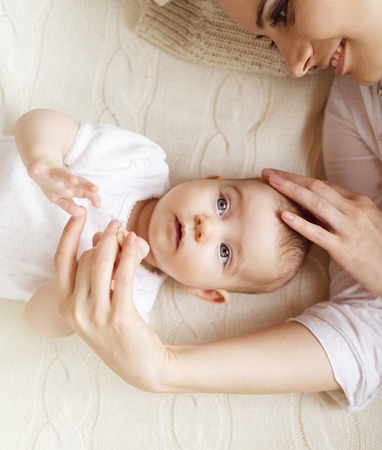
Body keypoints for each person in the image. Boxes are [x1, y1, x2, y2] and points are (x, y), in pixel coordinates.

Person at [53, 0, 382, 412]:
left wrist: (163, 370)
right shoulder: (357, 104)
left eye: (281, 10)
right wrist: (163, 368)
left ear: (207, 291)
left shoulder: (134, 292)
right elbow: (365, 332)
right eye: (268, 38)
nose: (295, 68)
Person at [1, 108, 308, 337]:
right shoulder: (140, 163)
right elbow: (40, 122)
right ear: (210, 180)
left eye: (224, 252)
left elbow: (37, 321)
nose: (207, 227)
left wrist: (81, 280)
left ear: (205, 291)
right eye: (222, 204)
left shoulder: (129, 303)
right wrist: (43, 157)